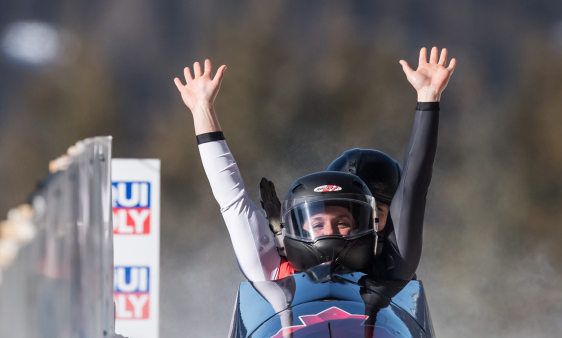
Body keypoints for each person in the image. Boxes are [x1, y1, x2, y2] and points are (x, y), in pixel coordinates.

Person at [175, 47, 456, 281]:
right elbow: (231, 199)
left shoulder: (393, 266)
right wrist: (202, 110)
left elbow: (413, 190)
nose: (330, 232)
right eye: (317, 223)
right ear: (297, 227)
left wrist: (429, 98)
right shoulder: (272, 271)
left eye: (343, 222)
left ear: (367, 222)